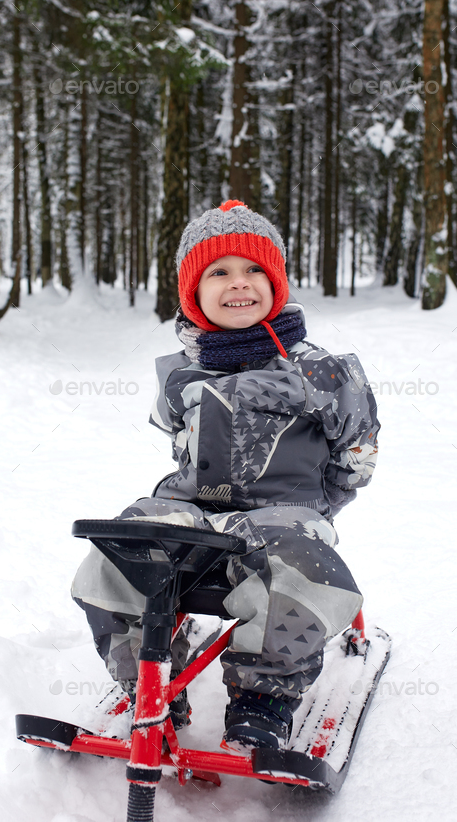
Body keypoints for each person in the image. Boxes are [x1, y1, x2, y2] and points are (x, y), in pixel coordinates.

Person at [71, 200, 379, 751]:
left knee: (294, 565)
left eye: (254, 269)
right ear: (194, 291)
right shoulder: (181, 375)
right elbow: (178, 443)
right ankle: (149, 680)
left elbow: (356, 448)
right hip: (196, 509)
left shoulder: (321, 370)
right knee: (124, 540)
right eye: (219, 272)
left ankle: (264, 699)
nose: (240, 284)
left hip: (282, 511)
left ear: (277, 280)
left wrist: (319, 508)